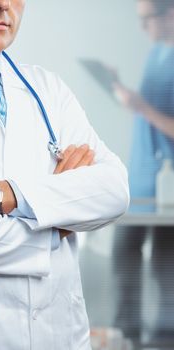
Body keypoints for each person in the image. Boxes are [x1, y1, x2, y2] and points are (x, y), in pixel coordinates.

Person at [0, 1, 129, 349]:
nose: (1, 4)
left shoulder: (47, 90)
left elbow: (114, 190)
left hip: (63, 336)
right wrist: (56, 221)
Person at [112, 0, 174, 340]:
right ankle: (127, 335)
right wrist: (124, 94)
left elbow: (157, 116)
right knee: (124, 254)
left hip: (167, 189)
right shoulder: (157, 53)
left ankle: (166, 339)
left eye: (147, 19)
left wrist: (142, 107)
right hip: (140, 182)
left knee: (166, 267)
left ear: (171, 14)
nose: (142, 28)